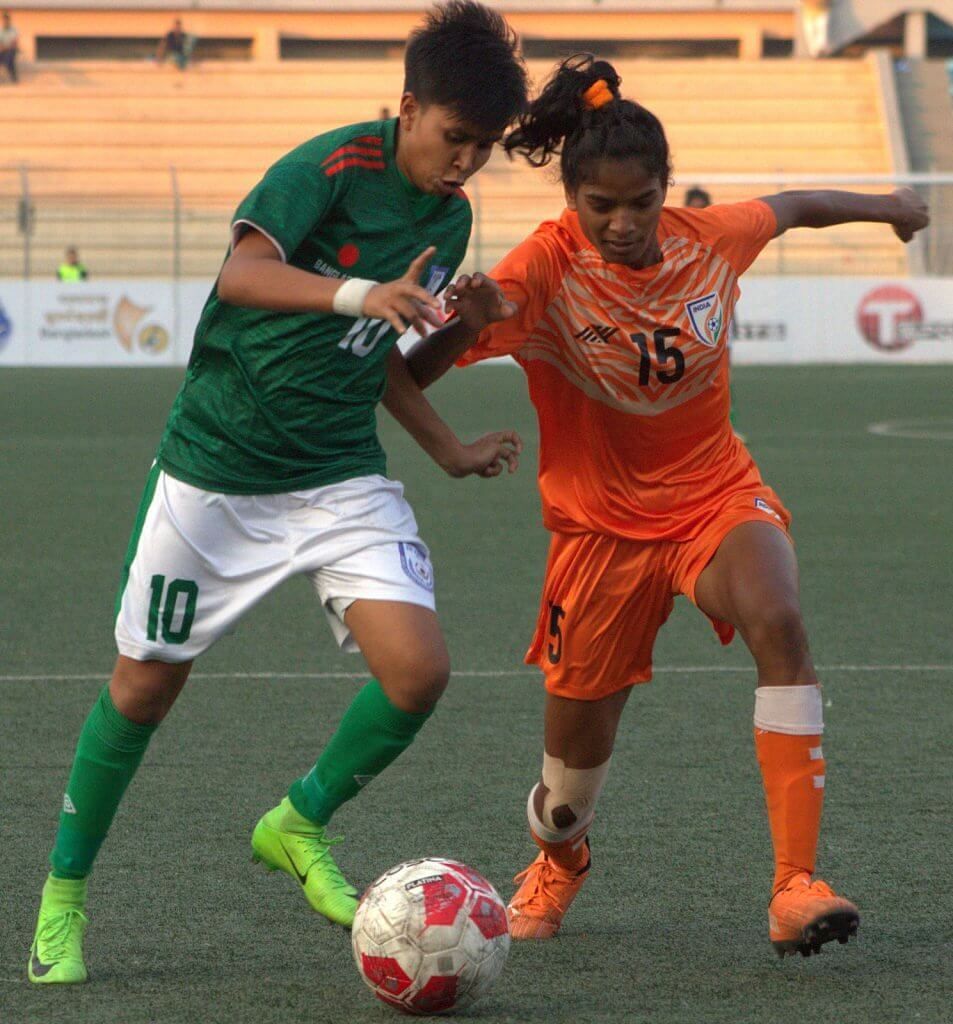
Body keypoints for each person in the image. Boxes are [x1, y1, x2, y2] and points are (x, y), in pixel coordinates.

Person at [28, 0, 527, 985]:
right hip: (214, 471)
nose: (466, 161)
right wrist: (359, 292)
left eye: (484, 147)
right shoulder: (329, 169)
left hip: (335, 473)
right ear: (408, 108)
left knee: (418, 673)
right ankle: (62, 898)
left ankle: (295, 821)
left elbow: (374, 358)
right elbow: (242, 274)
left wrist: (455, 384)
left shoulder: (449, 215)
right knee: (143, 688)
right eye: (454, 137)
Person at [403, 54, 929, 957]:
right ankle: (559, 862)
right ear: (571, 199)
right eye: (598, 206)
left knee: (780, 618)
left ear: (664, 190)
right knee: (566, 783)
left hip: (713, 498)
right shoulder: (542, 269)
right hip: (598, 537)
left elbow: (794, 207)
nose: (620, 222)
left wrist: (887, 209)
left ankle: (793, 885)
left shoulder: (709, 238)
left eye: (639, 201)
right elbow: (404, 375)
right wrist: (467, 321)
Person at [0, 11, 18, 83]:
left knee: (9, 60)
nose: (6, 21)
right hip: (2, 50)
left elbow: (14, 42)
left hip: (11, 50)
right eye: (4, 19)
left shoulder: (13, 30)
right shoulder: (1, 30)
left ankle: (14, 79)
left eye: (7, 19)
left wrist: (5, 47)